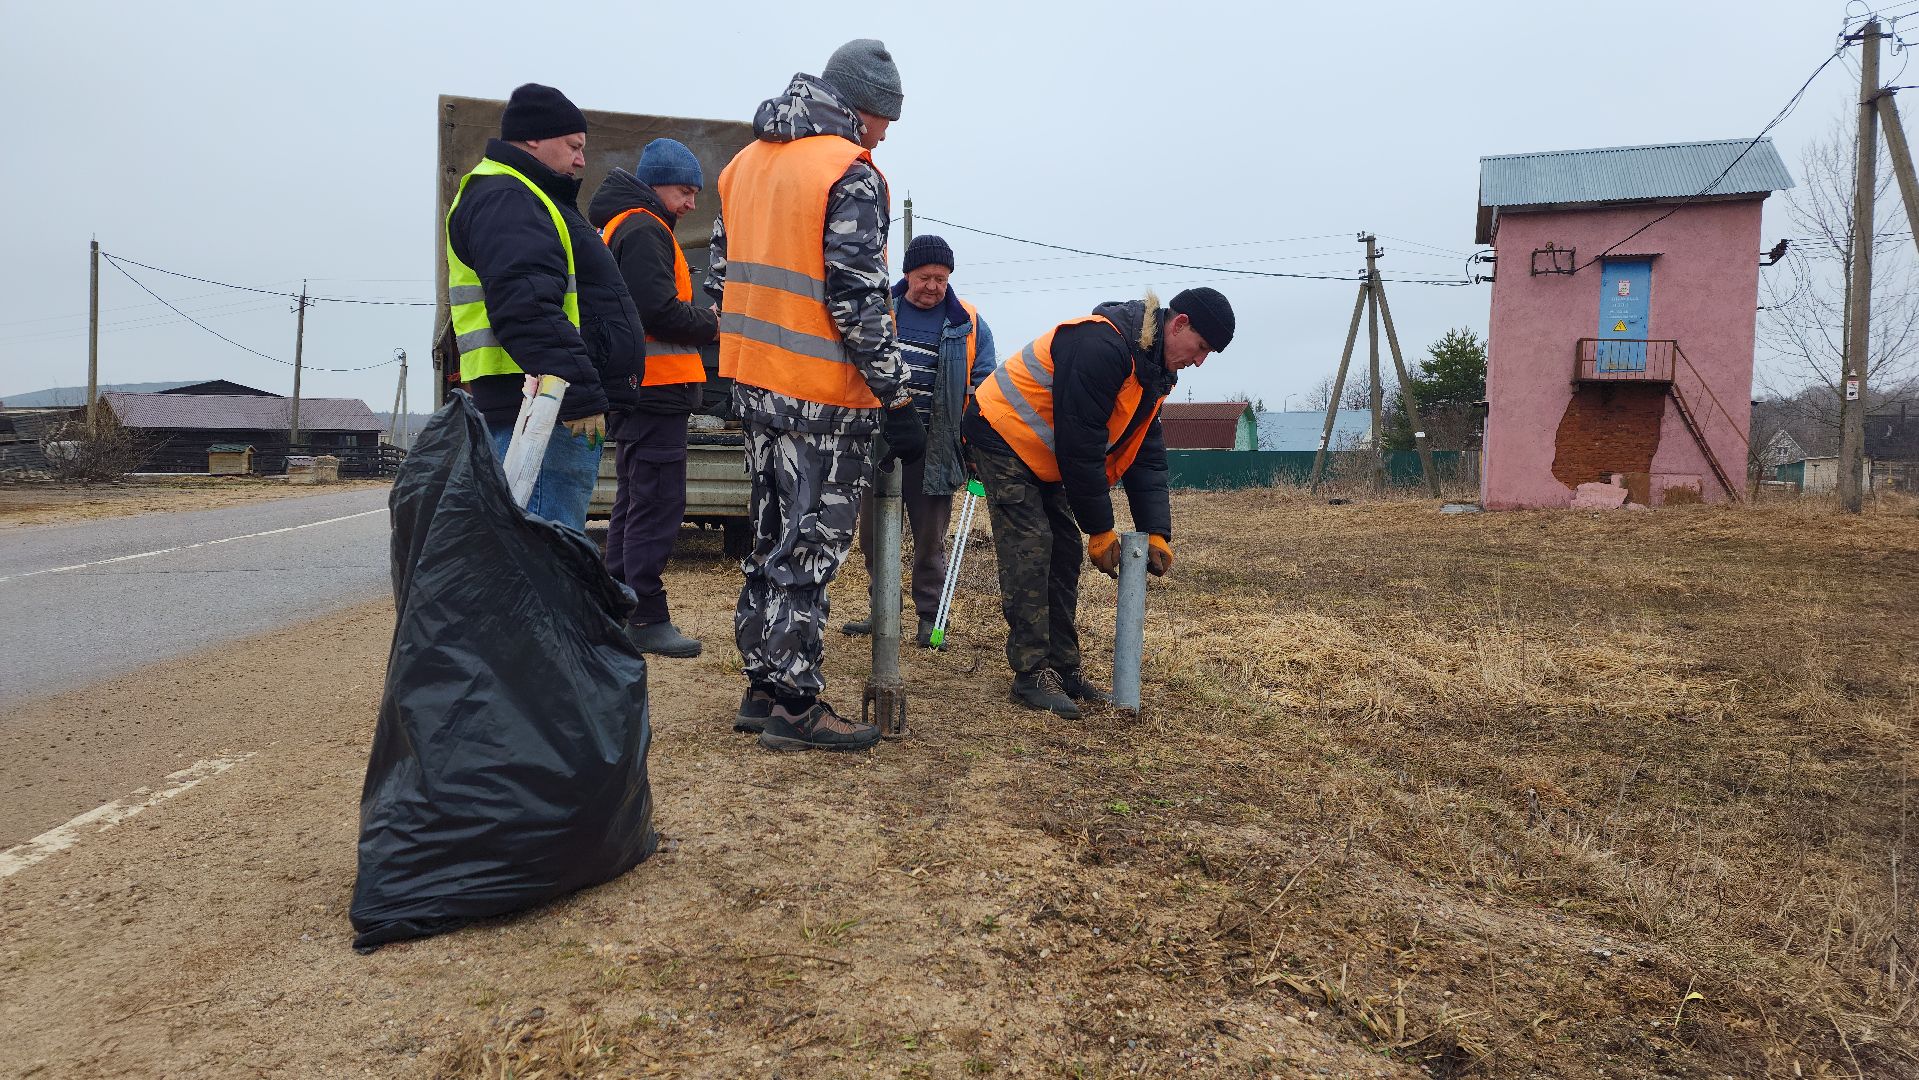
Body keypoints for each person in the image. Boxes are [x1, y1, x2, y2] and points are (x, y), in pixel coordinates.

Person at [707, 40, 926, 752]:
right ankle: (797, 707)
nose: (886, 133)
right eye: (885, 119)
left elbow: (719, 282)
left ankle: (763, 685)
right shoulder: (848, 173)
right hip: (825, 402)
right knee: (810, 550)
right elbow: (859, 298)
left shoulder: (742, 167)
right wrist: (896, 398)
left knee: (769, 538)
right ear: (861, 110)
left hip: (757, 391)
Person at [965, 287, 1236, 717]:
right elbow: (1081, 446)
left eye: (1209, 355)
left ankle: (1063, 669)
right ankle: (1031, 673)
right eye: (1201, 347)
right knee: (1032, 546)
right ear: (1179, 324)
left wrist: (1158, 533)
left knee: (1065, 550)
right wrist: (1101, 528)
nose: (1199, 361)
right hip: (999, 431)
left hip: (1043, 453)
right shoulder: (1100, 346)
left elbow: (1145, 455)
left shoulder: (1153, 374)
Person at [445, 83, 645, 533]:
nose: (581, 159)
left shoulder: (524, 195)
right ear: (534, 138)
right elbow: (526, 307)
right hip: (539, 411)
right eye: (574, 146)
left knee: (542, 553)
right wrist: (576, 394)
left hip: (540, 405)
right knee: (543, 556)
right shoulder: (508, 196)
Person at [588, 138, 720, 657]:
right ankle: (644, 614)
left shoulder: (627, 224)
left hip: (642, 391)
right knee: (658, 503)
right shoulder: (644, 228)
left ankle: (619, 606)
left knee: (635, 500)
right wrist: (713, 323)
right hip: (654, 389)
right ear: (657, 184)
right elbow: (657, 311)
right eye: (685, 191)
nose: (691, 204)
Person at [842, 234, 996, 647]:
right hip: (880, 444)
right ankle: (882, 612)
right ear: (907, 273)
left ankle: (929, 619)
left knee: (930, 542)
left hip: (937, 448)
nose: (933, 286)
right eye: (926, 276)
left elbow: (984, 386)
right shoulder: (881, 312)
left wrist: (975, 443)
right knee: (873, 539)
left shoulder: (970, 323)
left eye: (942, 279)